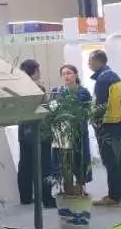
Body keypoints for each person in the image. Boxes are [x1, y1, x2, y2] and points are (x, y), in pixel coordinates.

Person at [88, 49, 121, 206]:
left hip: (107, 126)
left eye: (90, 61)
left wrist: (94, 121)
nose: (88, 64)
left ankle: (114, 196)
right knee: (118, 160)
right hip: (116, 124)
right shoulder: (112, 75)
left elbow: (100, 106)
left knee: (110, 161)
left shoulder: (103, 79)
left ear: (98, 61)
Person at [16, 59, 55, 208]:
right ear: (35, 71)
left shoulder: (18, 88)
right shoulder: (38, 88)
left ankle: (25, 197)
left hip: (23, 130)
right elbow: (45, 109)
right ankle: (47, 198)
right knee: (44, 165)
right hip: (40, 131)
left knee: (25, 164)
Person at [50, 64, 93, 191]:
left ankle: (81, 186)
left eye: (68, 73)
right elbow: (51, 109)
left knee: (80, 157)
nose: (66, 76)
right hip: (62, 131)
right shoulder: (57, 91)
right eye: (63, 74)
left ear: (75, 74)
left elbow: (88, 111)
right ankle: (66, 187)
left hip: (79, 130)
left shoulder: (83, 92)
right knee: (63, 159)